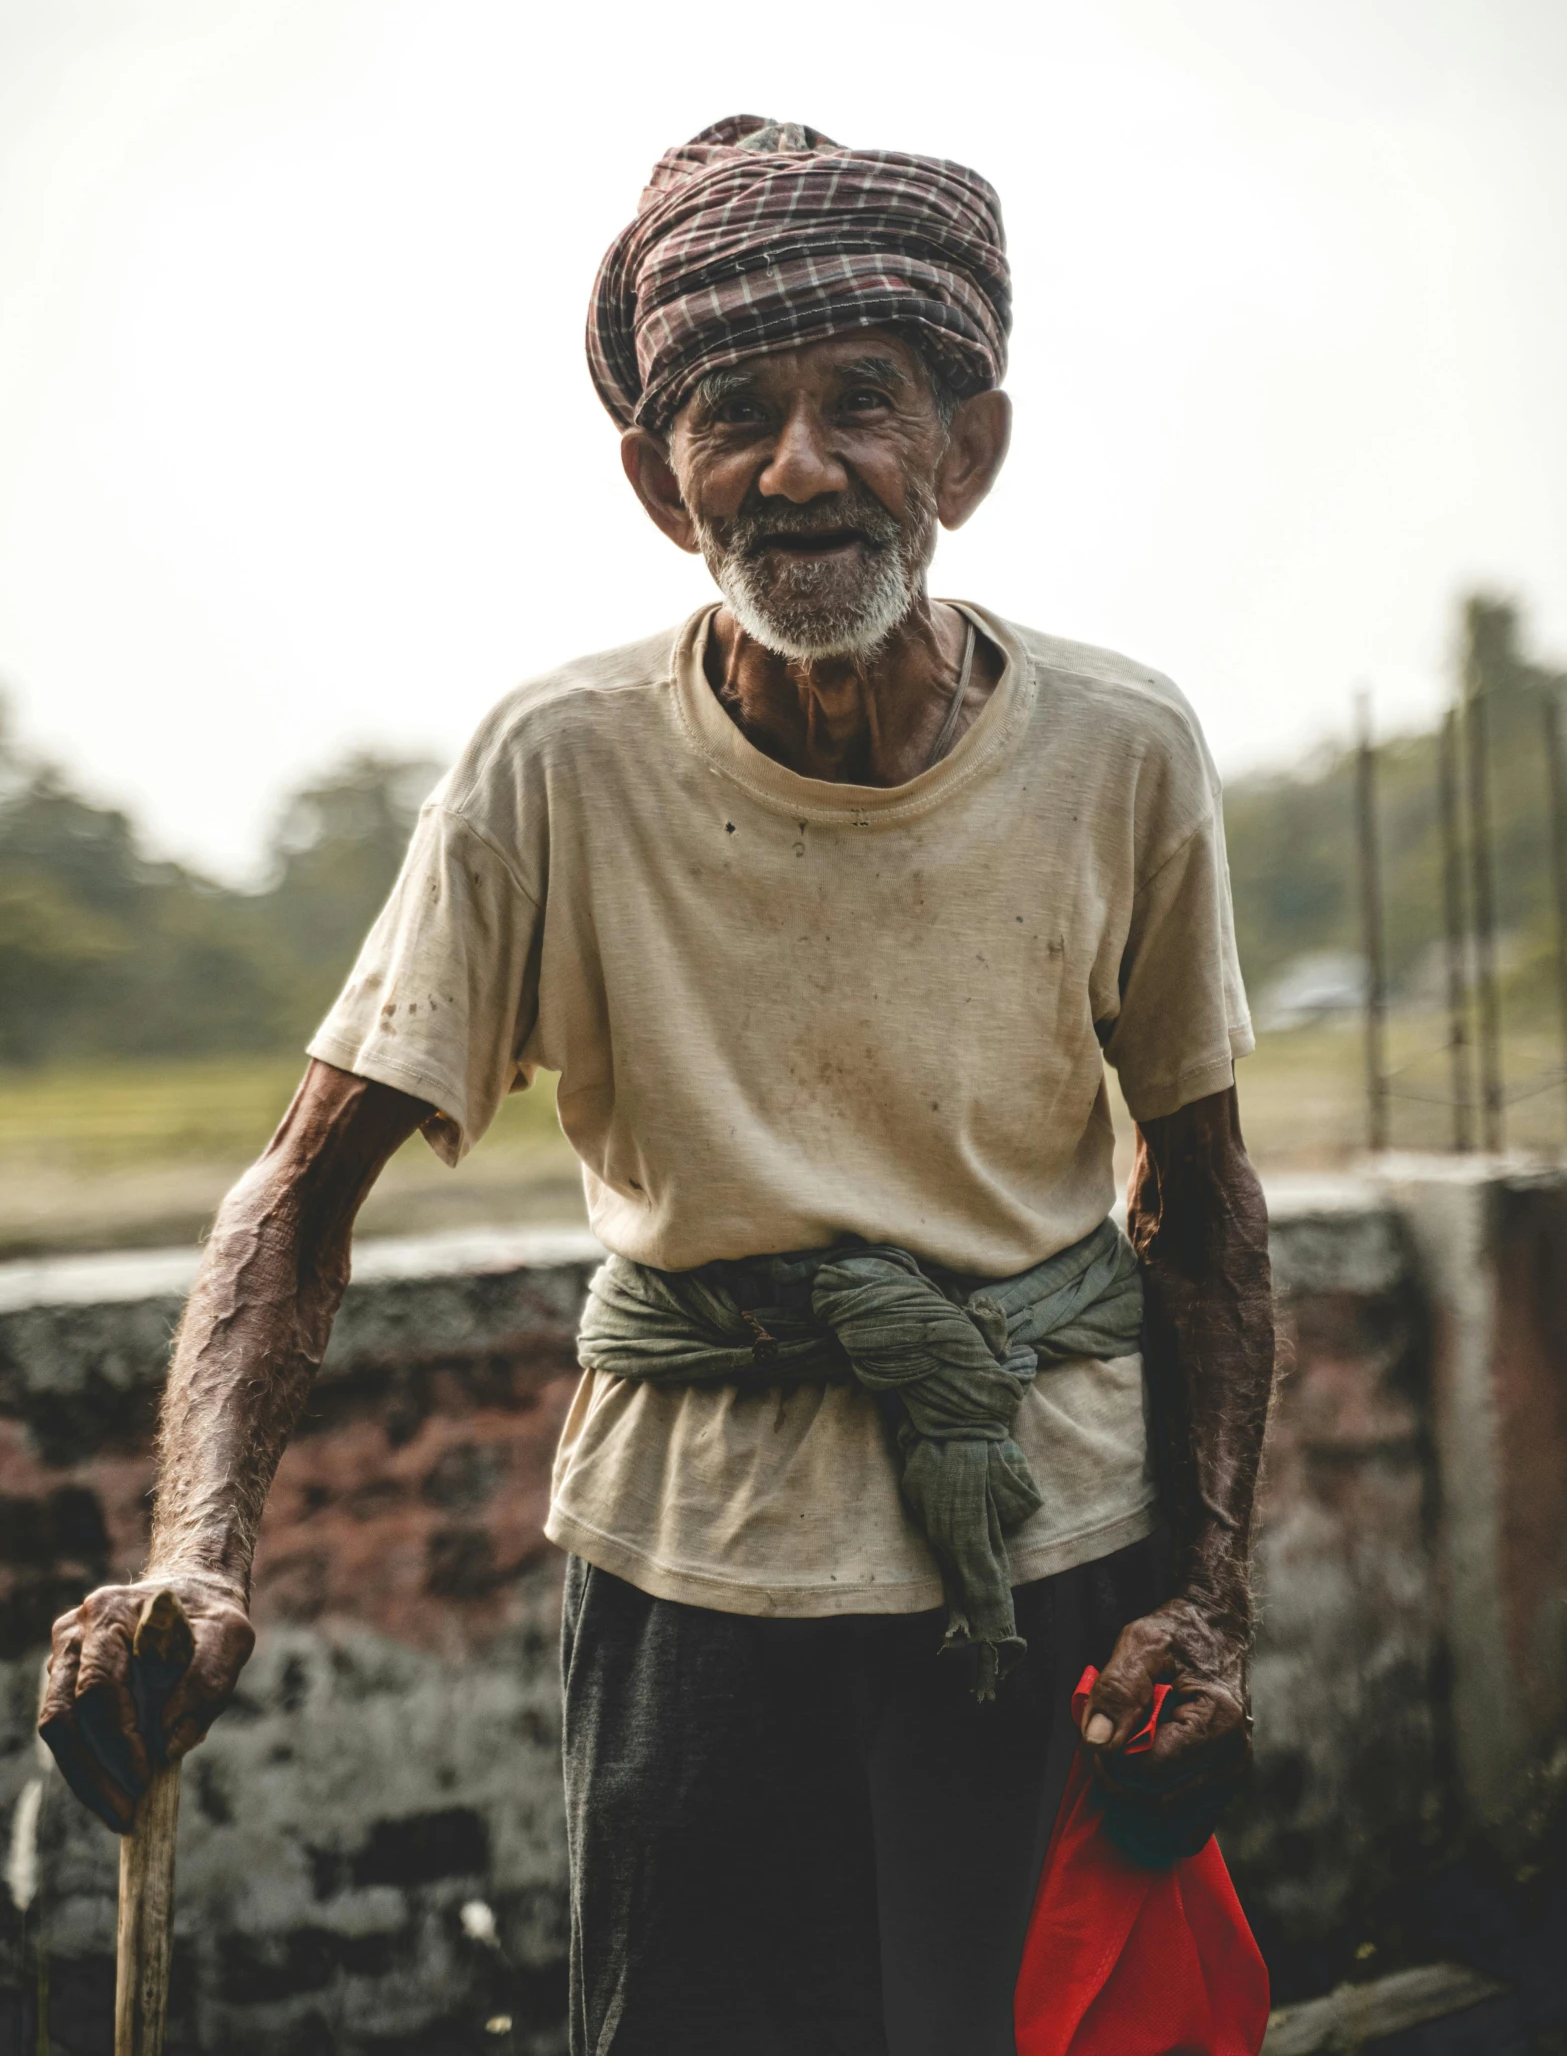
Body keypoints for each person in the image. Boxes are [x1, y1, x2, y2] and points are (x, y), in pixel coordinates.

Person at [40, 115, 1275, 2056]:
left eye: (863, 400)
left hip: (1054, 1562)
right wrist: (199, 1544)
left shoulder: (1120, 745)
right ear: (653, 472)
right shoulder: (556, 763)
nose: (801, 466)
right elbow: (296, 1191)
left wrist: (1210, 1594)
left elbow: (1197, 1199)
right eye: (731, 412)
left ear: (970, 445)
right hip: (695, 1584)